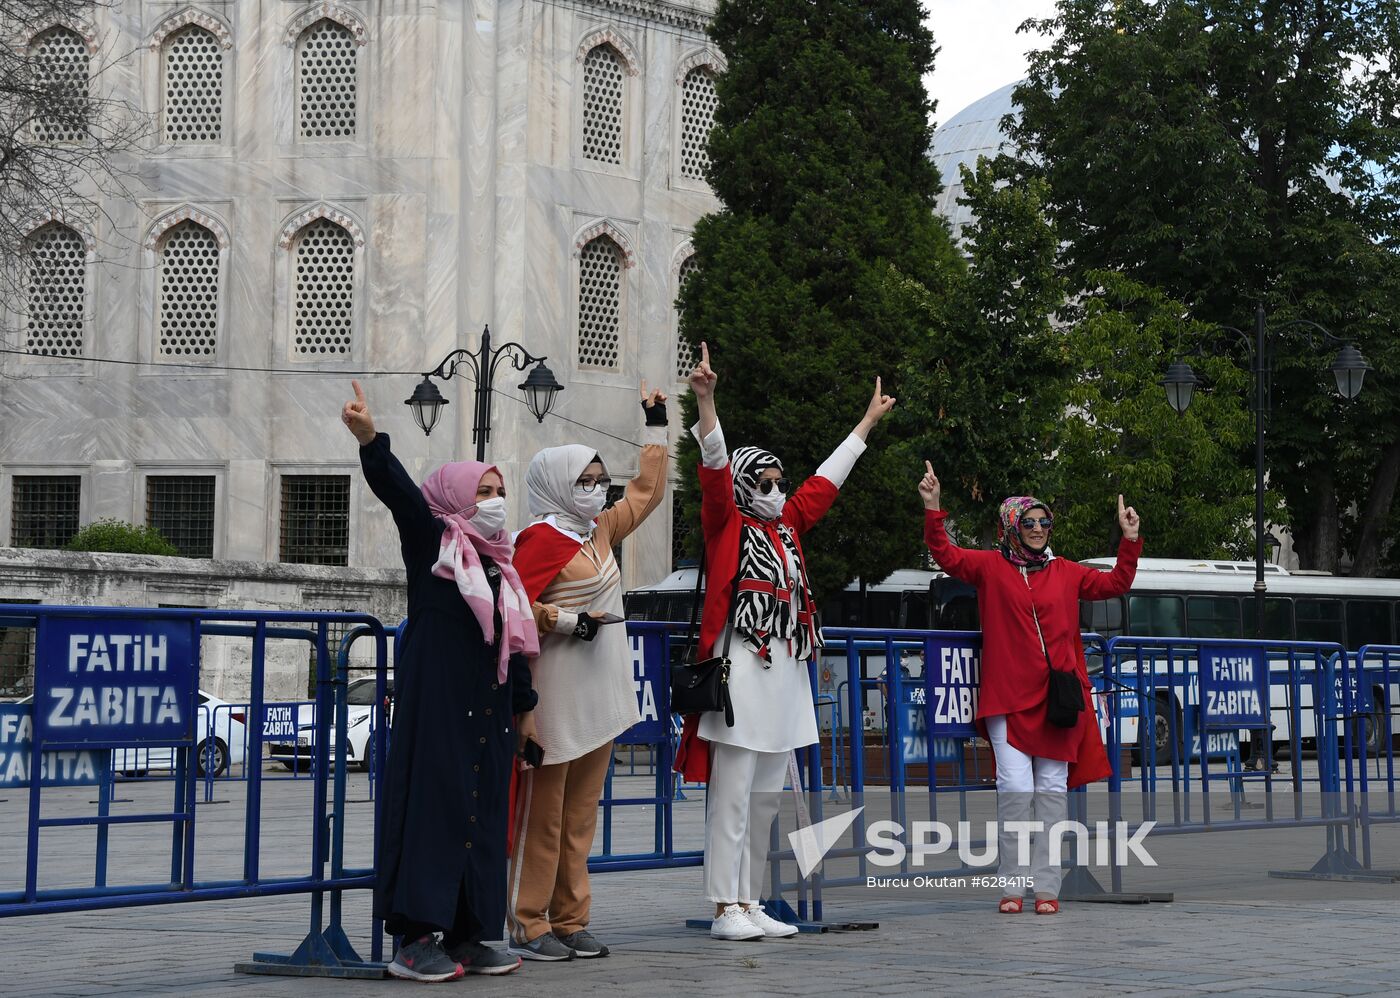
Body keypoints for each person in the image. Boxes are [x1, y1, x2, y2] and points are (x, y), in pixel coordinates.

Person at [674, 343, 895, 941]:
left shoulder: (786, 527)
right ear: (747, 486)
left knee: (766, 797)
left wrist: (866, 425)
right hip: (739, 670)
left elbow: (825, 482)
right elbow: (716, 473)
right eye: (764, 482)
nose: (775, 490)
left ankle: (752, 899)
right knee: (734, 794)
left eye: (779, 482)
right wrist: (706, 401)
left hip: (784, 674)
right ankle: (724, 907)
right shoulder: (728, 523)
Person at [341, 380, 539, 981]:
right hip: (439, 706)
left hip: (489, 709)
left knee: (481, 814)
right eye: (483, 491)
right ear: (455, 496)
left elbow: (514, 641)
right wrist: (372, 440)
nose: (495, 501)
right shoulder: (436, 542)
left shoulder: (500, 561)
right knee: (436, 810)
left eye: (500, 491)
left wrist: (524, 710)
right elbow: (401, 496)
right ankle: (415, 938)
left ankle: (473, 933)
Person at [918, 461, 1141, 914]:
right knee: (1015, 792)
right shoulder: (991, 568)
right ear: (1011, 527)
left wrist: (1129, 539)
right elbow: (946, 554)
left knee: (1052, 794)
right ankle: (1012, 887)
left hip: (1058, 703)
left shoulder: (1068, 571)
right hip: (1008, 698)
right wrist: (933, 507)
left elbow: (1116, 583)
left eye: (1044, 522)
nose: (1038, 529)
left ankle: (1047, 891)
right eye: (1029, 522)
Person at [505, 382, 670, 961]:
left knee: (579, 818)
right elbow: (514, 608)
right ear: (556, 484)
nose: (598, 491)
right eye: (585, 481)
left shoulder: (600, 531)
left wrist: (655, 421)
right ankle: (528, 922)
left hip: (598, 696)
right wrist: (565, 620)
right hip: (552, 699)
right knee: (542, 818)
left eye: (601, 481)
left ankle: (572, 918)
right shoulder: (536, 540)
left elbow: (647, 493)